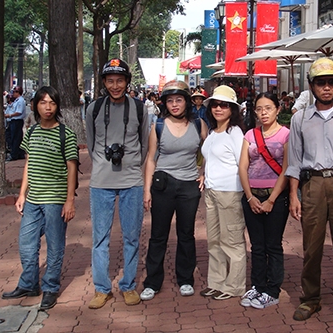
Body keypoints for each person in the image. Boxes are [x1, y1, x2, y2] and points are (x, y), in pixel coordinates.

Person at [285, 57, 333, 325]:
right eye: (321, 82)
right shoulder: (300, 119)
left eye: (332, 82)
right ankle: (310, 298)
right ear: (311, 86)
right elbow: (294, 160)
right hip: (313, 184)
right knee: (312, 246)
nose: (327, 87)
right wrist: (293, 195)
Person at [1, 86, 78, 311]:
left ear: (57, 106)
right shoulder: (32, 133)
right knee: (26, 243)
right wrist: (22, 194)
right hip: (33, 199)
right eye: (43, 102)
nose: (48, 107)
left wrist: (69, 201)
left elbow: (72, 169)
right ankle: (29, 284)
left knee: (55, 246)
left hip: (55, 199)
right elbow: (29, 164)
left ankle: (51, 287)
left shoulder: (66, 134)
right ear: (35, 105)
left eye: (52, 103)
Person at [85, 58, 149, 309]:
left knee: (132, 236)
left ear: (127, 82)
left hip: (131, 180)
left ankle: (128, 285)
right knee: (100, 237)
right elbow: (91, 144)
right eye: (110, 81)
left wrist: (133, 165)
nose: (115, 86)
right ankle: (102, 289)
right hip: (101, 181)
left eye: (120, 80)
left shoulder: (140, 108)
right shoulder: (94, 108)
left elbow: (144, 144)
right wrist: (102, 163)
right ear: (103, 83)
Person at [140, 80, 208, 301]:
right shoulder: (158, 126)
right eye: (170, 101)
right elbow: (151, 159)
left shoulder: (199, 124)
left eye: (179, 100)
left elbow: (209, 151)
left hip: (189, 185)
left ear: (187, 102)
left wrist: (203, 172)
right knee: (158, 235)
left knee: (186, 234)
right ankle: (152, 281)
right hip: (163, 184)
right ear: (164, 104)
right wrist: (147, 190)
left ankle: (186, 278)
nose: (175, 105)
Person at [239, 92, 290, 309]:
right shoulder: (250, 134)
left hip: (276, 198)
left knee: (273, 245)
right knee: (257, 246)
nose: (263, 113)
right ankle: (258, 285)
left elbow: (287, 168)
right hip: (252, 197)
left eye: (268, 108)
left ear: (278, 109)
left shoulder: (286, 135)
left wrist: (272, 199)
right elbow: (242, 166)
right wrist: (249, 196)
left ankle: (272, 289)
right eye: (259, 109)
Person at [200, 85, 246, 300]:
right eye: (215, 105)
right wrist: (203, 175)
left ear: (232, 109)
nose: (218, 109)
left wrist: (248, 193)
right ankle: (217, 282)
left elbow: (243, 164)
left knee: (232, 241)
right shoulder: (212, 132)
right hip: (211, 191)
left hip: (230, 193)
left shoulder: (235, 133)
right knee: (214, 241)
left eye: (224, 105)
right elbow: (211, 159)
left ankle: (234, 285)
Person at [5, 86, 26, 161]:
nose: (13, 94)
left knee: (15, 138)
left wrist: (9, 115)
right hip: (12, 121)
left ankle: (14, 155)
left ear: (18, 92)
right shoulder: (16, 101)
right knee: (12, 137)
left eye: (14, 92)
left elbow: (19, 112)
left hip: (17, 121)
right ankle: (20, 153)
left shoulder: (20, 101)